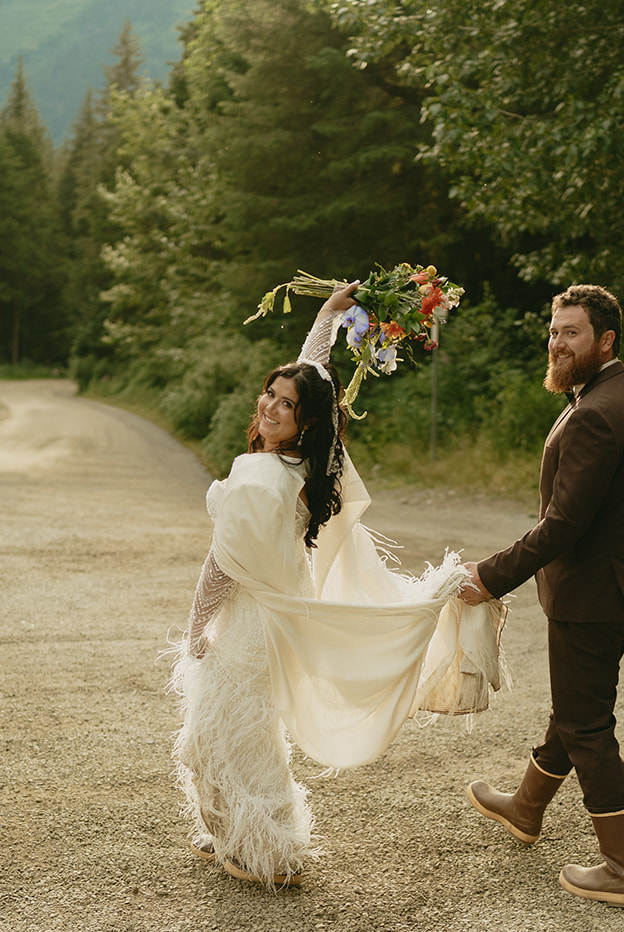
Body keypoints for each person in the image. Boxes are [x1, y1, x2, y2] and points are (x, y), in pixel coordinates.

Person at [171, 284, 503, 887]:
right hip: (275, 613)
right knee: (219, 731)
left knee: (236, 732)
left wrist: (196, 629)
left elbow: (220, 567)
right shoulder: (311, 463)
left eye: (284, 405)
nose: (270, 407)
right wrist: (326, 318)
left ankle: (269, 850)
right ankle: (231, 833)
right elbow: (315, 373)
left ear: (305, 421)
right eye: (268, 395)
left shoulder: (262, 480)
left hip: (247, 622)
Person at [458, 284, 624, 908]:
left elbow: (562, 526)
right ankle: (526, 808)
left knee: (586, 722)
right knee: (578, 701)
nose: (557, 343)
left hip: (594, 596)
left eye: (571, 333)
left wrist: (490, 575)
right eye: (554, 332)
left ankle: (619, 870)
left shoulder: (599, 413)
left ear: (605, 340)